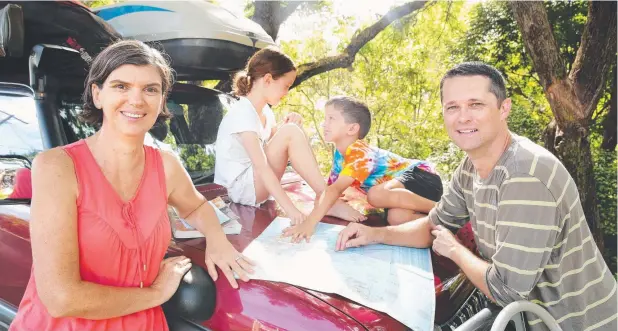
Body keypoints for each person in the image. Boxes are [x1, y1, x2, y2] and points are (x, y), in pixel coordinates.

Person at [336, 62, 617, 330]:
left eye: (476, 104)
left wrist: (455, 250)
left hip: (576, 324)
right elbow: (436, 224)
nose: (463, 116)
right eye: (452, 107)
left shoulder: (526, 176)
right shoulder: (470, 168)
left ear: (503, 108)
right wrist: (375, 235)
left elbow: (506, 291)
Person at [10, 40, 254, 331]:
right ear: (97, 94)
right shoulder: (57, 167)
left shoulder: (165, 166)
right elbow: (61, 299)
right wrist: (155, 293)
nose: (136, 100)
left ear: (162, 100)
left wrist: (217, 240)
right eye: (121, 86)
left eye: (150, 89)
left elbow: (198, 206)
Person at [214, 47, 363, 225]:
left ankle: (326, 198)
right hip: (242, 190)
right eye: (286, 86)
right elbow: (262, 166)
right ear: (268, 79)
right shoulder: (242, 113)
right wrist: (291, 210)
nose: (286, 93)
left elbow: (276, 149)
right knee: (290, 131)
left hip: (256, 186)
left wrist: (292, 126)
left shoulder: (265, 113)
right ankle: (328, 200)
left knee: (292, 129)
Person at [283, 96, 442, 242]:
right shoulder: (340, 156)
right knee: (396, 218)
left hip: (422, 175)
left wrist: (309, 224)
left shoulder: (359, 152)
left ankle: (443, 210)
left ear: (352, 129)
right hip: (402, 195)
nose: (324, 123)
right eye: (325, 118)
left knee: (375, 195)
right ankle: (442, 224)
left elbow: (334, 190)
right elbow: (329, 191)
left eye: (331, 118)